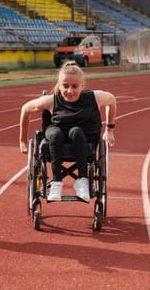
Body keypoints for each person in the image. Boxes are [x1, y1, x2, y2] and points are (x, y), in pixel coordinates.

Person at [19, 60, 116, 201]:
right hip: (56, 133)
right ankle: (56, 183)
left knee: (77, 131)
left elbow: (112, 101)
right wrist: (22, 141)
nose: (70, 91)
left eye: (75, 86)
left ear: (83, 86)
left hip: (84, 137)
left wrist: (110, 129)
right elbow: (25, 109)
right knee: (56, 135)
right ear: (59, 86)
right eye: (65, 86)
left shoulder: (94, 97)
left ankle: (82, 180)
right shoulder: (51, 100)